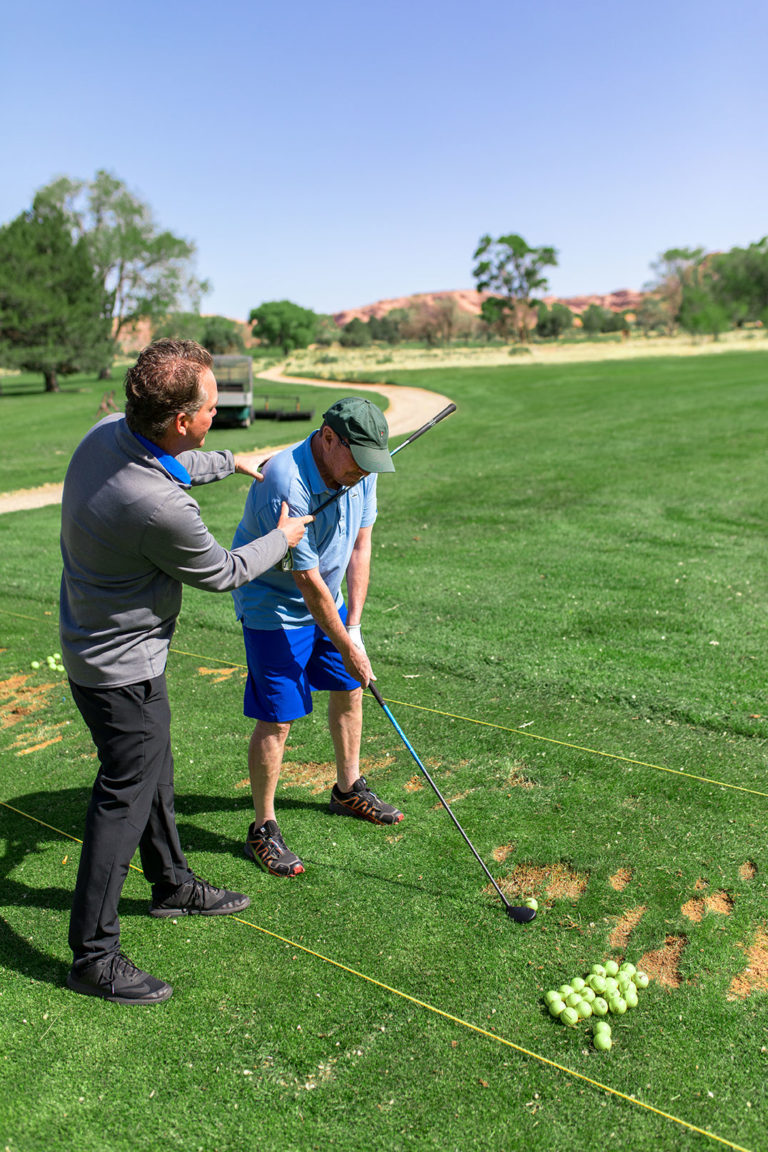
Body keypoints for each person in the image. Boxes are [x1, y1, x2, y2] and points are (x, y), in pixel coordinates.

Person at [59, 339, 312, 1005]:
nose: (218, 411)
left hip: (96, 651)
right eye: (211, 407)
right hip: (122, 670)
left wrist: (227, 461)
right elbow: (225, 572)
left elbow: (170, 460)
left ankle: (172, 884)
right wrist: (282, 539)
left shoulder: (105, 436)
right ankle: (93, 955)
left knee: (152, 774)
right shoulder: (159, 508)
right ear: (181, 420)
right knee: (124, 798)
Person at [231, 397, 403, 879]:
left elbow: (360, 545)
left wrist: (355, 631)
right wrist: (349, 646)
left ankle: (347, 788)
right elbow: (306, 583)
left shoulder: (360, 471)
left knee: (350, 686)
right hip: (273, 602)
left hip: (328, 598)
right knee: (278, 717)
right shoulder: (285, 482)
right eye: (358, 462)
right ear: (329, 439)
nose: (363, 474)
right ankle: (262, 828)